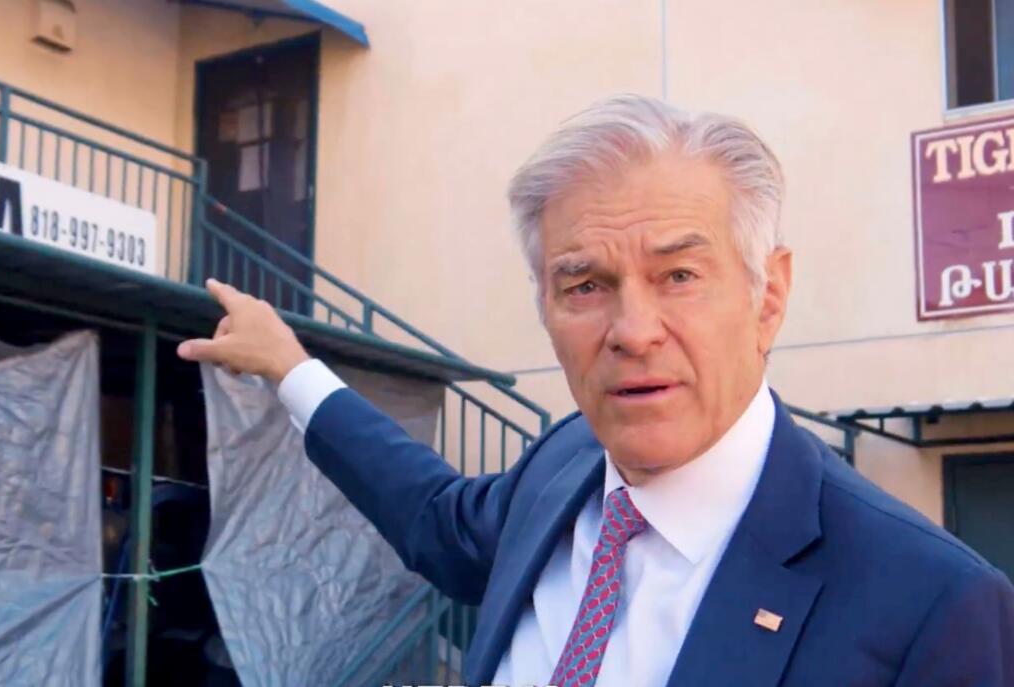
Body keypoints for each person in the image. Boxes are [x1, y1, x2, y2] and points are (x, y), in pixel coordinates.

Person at [177, 95, 1014, 687]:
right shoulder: (566, 462)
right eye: (585, 285)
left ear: (768, 296)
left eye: (679, 275)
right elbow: (433, 515)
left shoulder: (931, 608)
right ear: (543, 303)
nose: (633, 330)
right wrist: (292, 368)